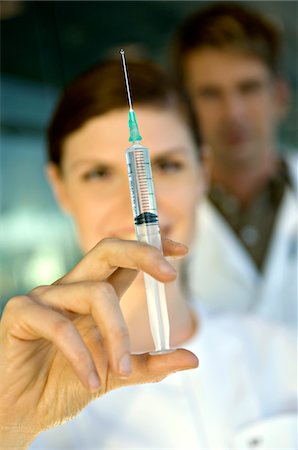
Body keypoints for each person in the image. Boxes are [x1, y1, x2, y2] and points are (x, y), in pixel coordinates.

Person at [4, 59, 292, 449]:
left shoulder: (285, 355)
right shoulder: (18, 391)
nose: (135, 202)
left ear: (203, 172)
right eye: (98, 174)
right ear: (59, 187)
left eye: (169, 165)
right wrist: (10, 426)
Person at [171, 2, 297, 327]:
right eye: (210, 94)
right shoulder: (168, 217)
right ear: (185, 110)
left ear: (280, 96)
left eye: (249, 87)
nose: (234, 113)